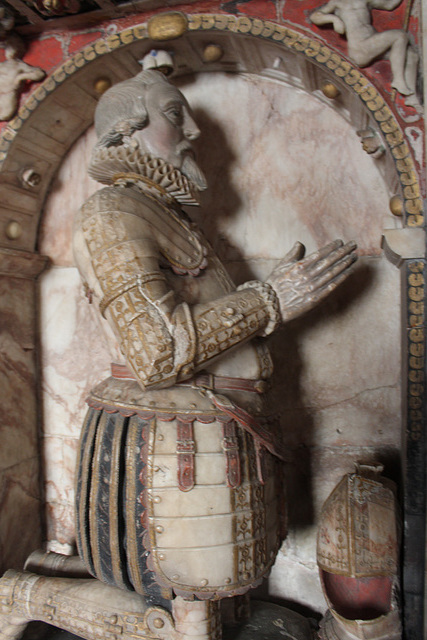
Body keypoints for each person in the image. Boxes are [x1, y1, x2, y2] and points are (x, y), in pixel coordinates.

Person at [72, 58, 357, 609]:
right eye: (175, 115)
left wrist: (269, 302)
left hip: (212, 434)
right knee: (185, 602)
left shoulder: (163, 214)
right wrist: (269, 300)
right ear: (125, 131)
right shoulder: (112, 211)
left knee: (212, 601)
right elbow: (157, 353)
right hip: (173, 447)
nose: (195, 132)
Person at [310, 0, 419, 102]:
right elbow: (315, 16)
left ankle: (412, 99)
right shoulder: (337, 3)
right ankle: (398, 80)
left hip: (373, 44)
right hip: (360, 48)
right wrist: (334, 19)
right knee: (399, 36)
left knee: (411, 56)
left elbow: (389, 4)